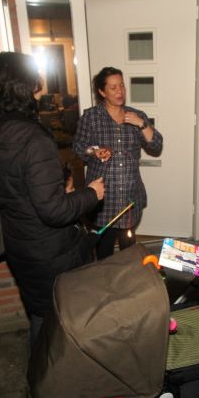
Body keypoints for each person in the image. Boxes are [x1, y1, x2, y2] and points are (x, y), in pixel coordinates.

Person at [0, 52, 105, 350]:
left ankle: (41, 372)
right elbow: (53, 210)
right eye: (34, 84)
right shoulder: (33, 137)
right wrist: (91, 193)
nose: (39, 90)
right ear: (23, 87)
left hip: (18, 242)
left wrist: (57, 182)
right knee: (67, 319)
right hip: (51, 251)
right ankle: (64, 374)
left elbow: (13, 183)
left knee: (42, 313)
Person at [73, 66, 163, 259]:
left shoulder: (136, 115)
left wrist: (142, 123)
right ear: (102, 92)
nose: (120, 91)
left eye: (121, 85)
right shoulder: (91, 117)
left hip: (129, 196)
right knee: (104, 249)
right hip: (103, 198)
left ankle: (128, 275)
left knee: (128, 248)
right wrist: (94, 152)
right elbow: (79, 148)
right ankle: (106, 276)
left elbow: (156, 145)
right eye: (113, 87)